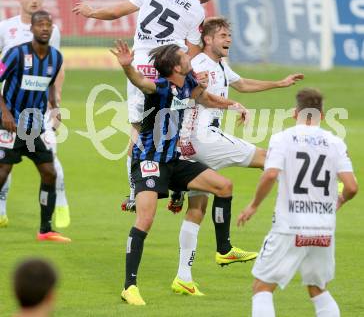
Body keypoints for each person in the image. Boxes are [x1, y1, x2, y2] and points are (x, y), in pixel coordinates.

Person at [170, 17, 304, 295]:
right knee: (269, 158)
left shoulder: (220, 65)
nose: (228, 39)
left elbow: (243, 84)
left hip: (191, 143)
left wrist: (280, 83)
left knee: (198, 208)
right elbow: (195, 96)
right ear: (208, 39)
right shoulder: (199, 65)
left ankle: (183, 276)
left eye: (229, 35)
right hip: (202, 137)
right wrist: (231, 105)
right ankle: (301, 212)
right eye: (222, 35)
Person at [73, 0, 225, 212]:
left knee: (137, 128)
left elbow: (115, 12)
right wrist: (187, 71)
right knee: (176, 124)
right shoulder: (197, 10)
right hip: (171, 67)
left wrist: (92, 12)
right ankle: (178, 186)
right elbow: (193, 49)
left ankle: (134, 192)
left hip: (141, 64)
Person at [111, 40, 247, 305]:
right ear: (175, 65)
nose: (188, 56)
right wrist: (127, 67)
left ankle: (224, 250)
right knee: (145, 219)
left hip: (174, 160)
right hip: (150, 160)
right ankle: (130, 286)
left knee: (223, 186)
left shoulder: (188, 83)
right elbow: (141, 82)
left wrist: (234, 105)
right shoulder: (160, 86)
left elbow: (206, 98)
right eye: (184, 55)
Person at [237, 88, 358, 317]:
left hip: (289, 226)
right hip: (323, 228)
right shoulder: (335, 143)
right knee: (318, 289)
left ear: (295, 113)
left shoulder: (282, 139)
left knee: (262, 287)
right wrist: (339, 201)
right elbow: (351, 187)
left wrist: (253, 205)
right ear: (322, 115)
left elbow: (270, 174)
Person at [0, 0, 70, 229]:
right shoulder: (12, 44)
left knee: (50, 169)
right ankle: (1, 211)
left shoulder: (54, 52)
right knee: (3, 172)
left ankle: (48, 225)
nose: (34, 0)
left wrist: (55, 104)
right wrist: (4, 112)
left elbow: (52, 77)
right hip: (9, 119)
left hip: (36, 122)